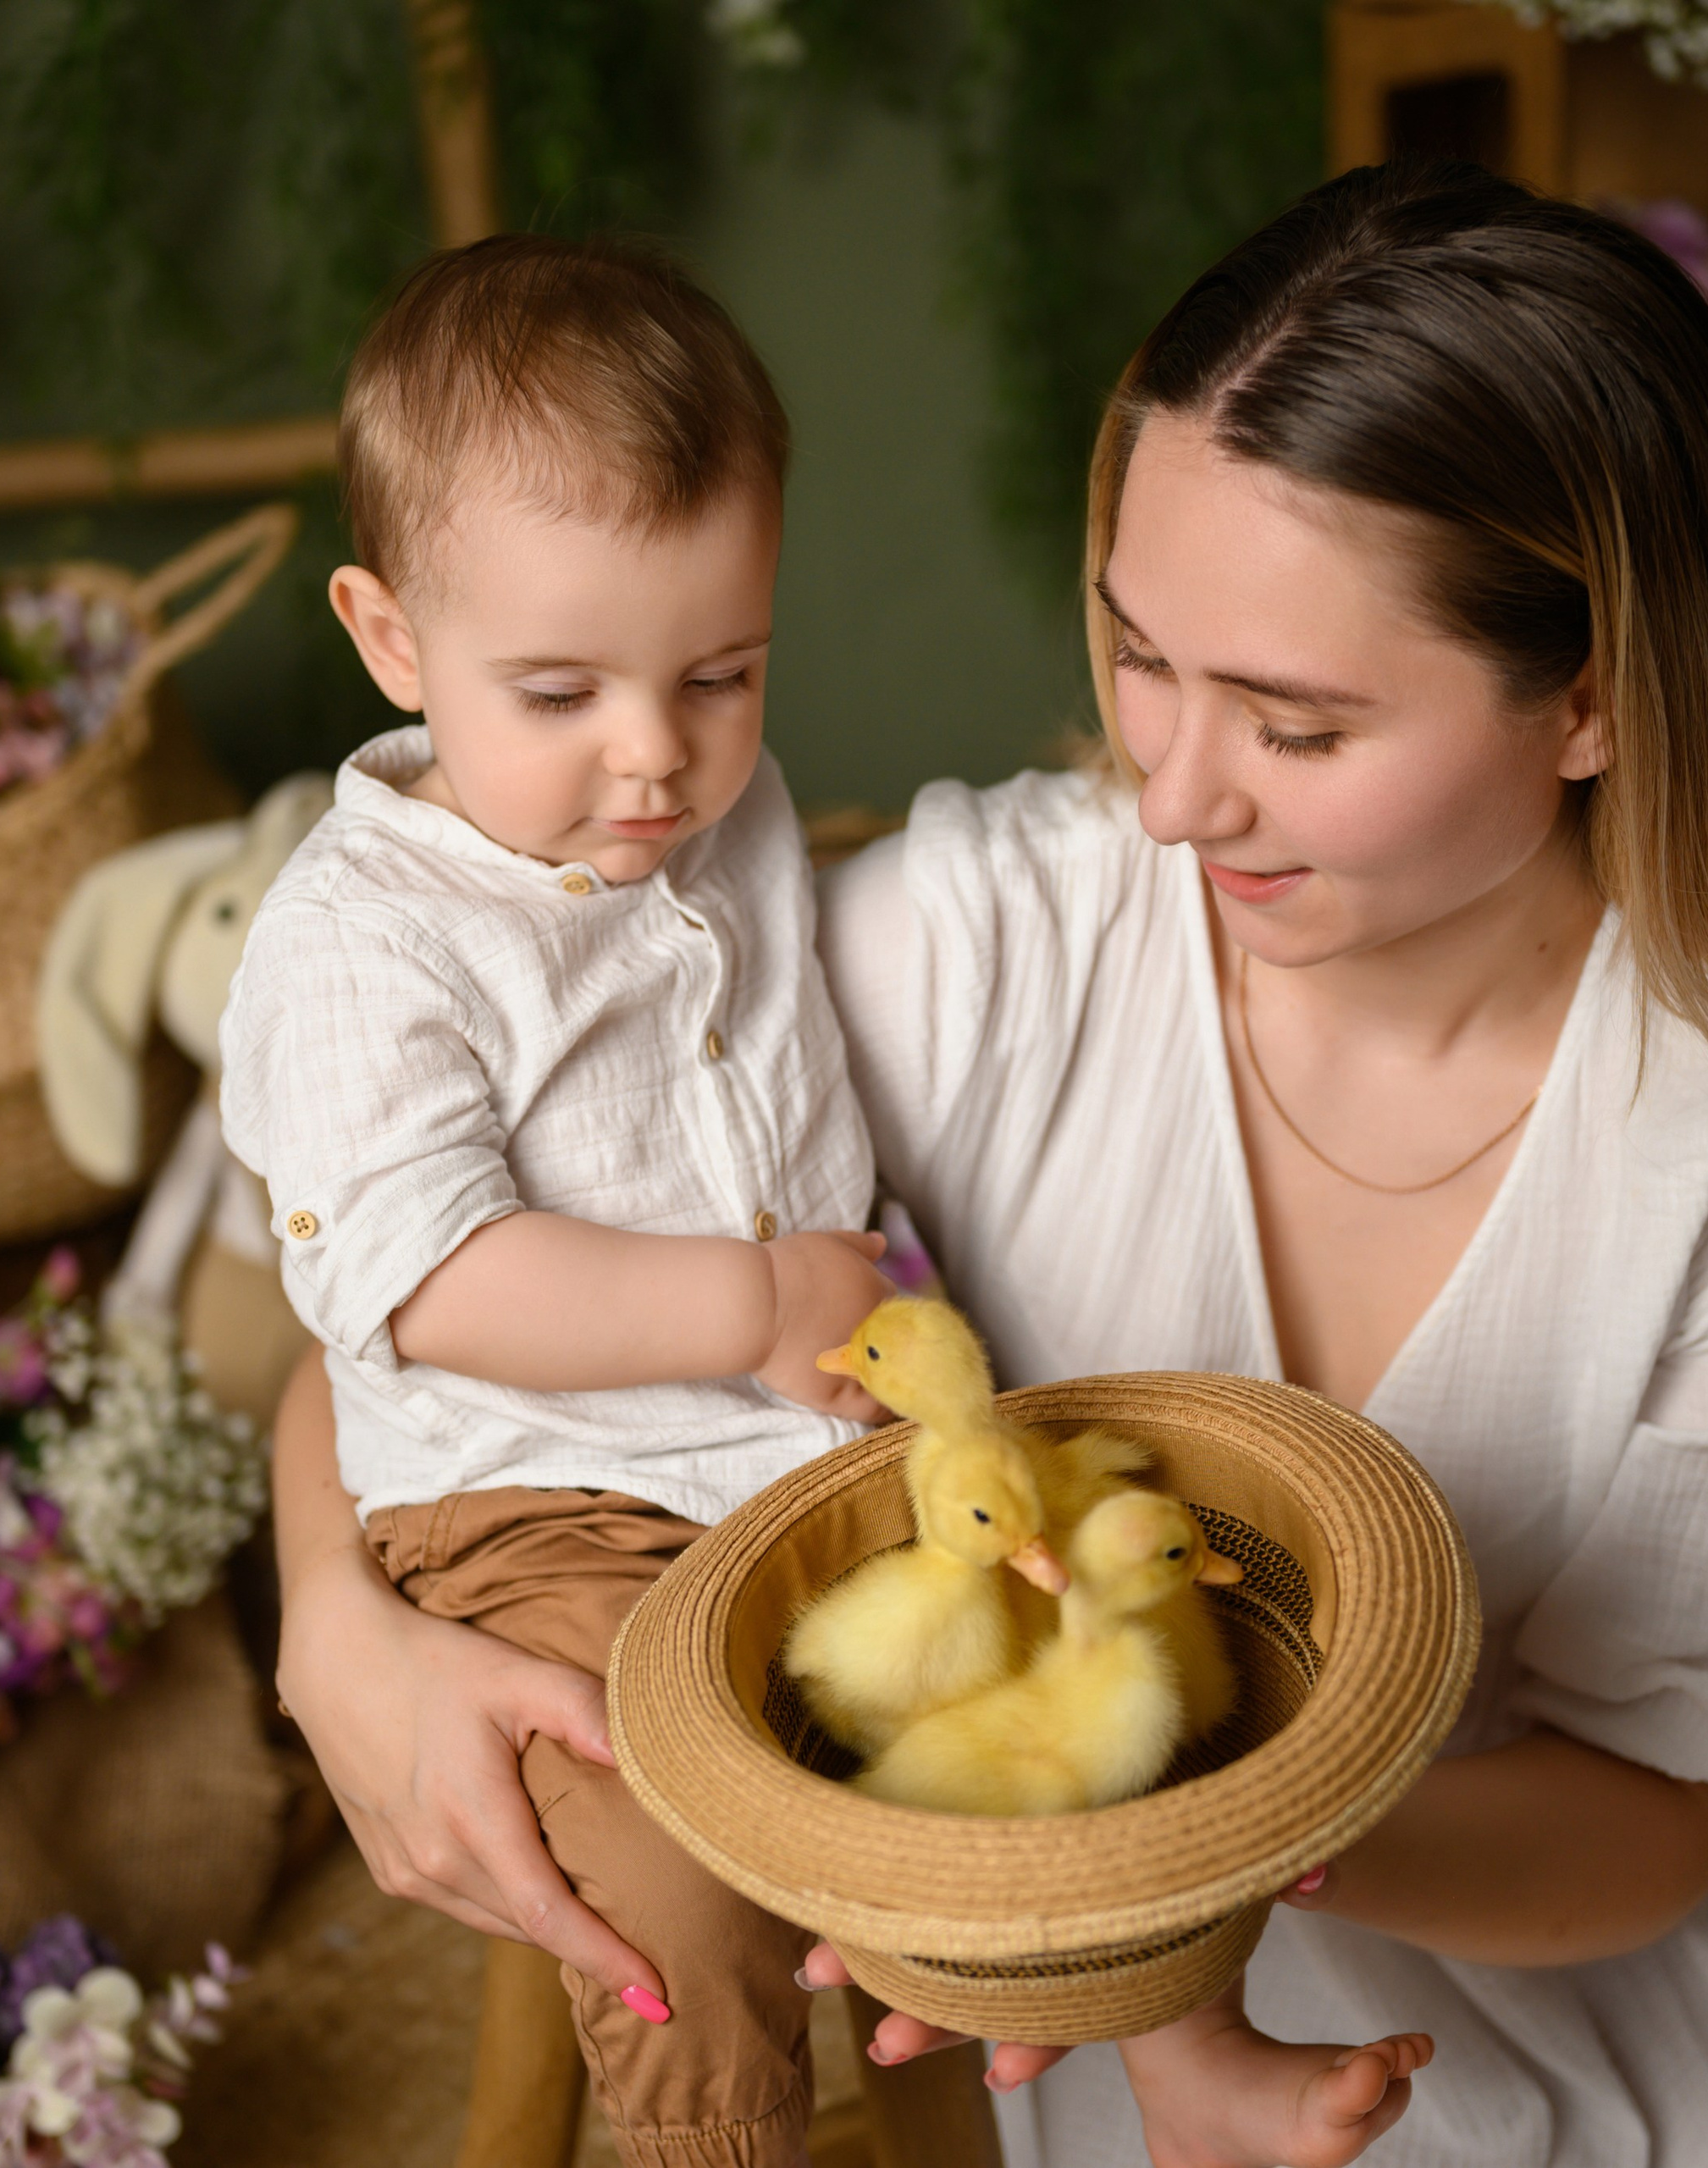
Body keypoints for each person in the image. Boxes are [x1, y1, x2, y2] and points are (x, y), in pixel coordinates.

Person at [264, 164, 1708, 2168]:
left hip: (1628, 1975)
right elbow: (430, 1290)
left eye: (1294, 723)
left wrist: (1164, 1835)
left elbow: (1661, 1820)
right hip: (1088, 1958)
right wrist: (338, 1626)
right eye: (1142, 656)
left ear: (1589, 695)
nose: (1164, 792)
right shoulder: (1003, 942)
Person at [224, 230, 1423, 2168]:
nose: (654, 752)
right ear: (387, 640)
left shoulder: (725, 805)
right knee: (679, 1883)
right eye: (557, 691)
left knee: (1039, 1717)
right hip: (547, 1497)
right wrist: (747, 1304)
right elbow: (423, 1276)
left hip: (805, 1449)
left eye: (720, 670)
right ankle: (719, 2134)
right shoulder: (365, 945)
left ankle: (1174, 2053)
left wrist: (840, 1339)